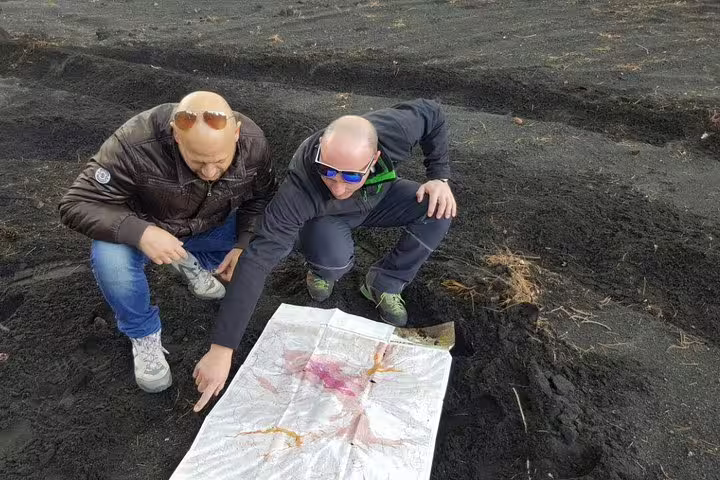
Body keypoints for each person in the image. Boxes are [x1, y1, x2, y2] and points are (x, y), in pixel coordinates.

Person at [191, 98, 456, 411]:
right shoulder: (300, 188)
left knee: (439, 209)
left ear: (375, 158)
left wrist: (439, 177)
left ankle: (385, 282)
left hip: (378, 197)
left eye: (351, 176)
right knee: (334, 259)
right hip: (325, 217)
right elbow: (258, 259)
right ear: (319, 155)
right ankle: (321, 269)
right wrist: (223, 349)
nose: (339, 186)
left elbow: (433, 113)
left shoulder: (397, 129)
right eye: (329, 172)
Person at [58, 91, 276, 393]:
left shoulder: (254, 143)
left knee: (265, 238)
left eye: (220, 161)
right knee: (109, 258)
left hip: (207, 224)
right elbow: (75, 204)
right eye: (198, 162)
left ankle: (189, 261)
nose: (211, 172)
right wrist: (140, 232)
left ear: (236, 133)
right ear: (176, 136)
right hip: (148, 226)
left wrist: (242, 244)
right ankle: (143, 333)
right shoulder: (136, 142)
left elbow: (260, 198)